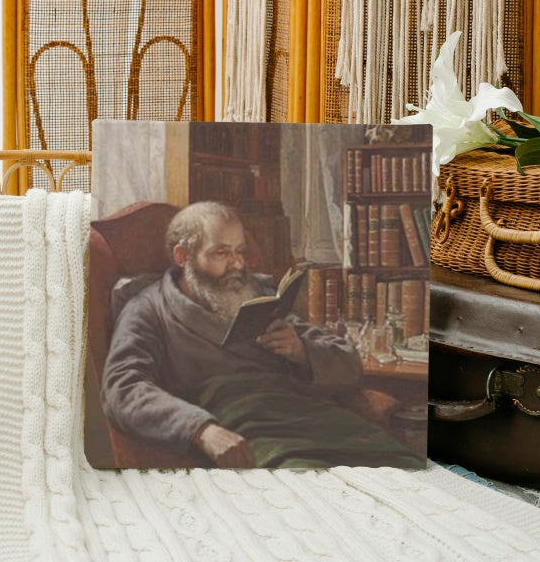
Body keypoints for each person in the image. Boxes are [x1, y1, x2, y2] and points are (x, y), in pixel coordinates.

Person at [100, 201, 419, 469]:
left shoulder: (258, 293)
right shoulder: (147, 308)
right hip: (245, 432)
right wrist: (200, 429)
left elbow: (347, 361)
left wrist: (301, 350)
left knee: (403, 469)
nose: (237, 264)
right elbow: (124, 388)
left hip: (313, 418)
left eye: (240, 251)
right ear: (183, 256)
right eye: (221, 253)